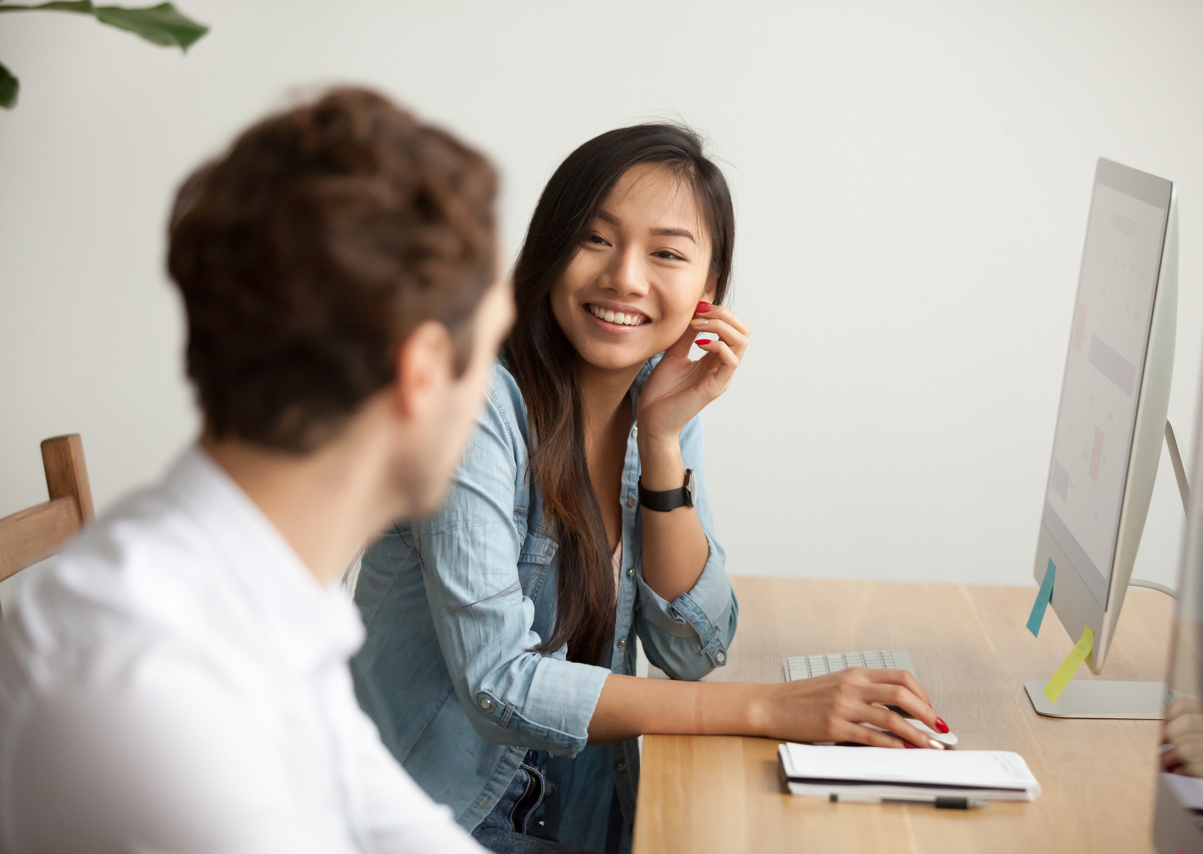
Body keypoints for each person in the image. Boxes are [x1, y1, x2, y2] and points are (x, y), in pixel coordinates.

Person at [352, 124, 950, 854]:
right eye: (596, 239)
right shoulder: (472, 405)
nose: (626, 279)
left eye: (666, 253)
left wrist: (662, 440)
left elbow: (694, 648)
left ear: (709, 291)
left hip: (583, 811)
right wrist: (769, 708)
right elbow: (498, 684)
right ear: (547, 251)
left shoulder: (657, 391)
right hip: (443, 821)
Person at [0, 88, 512, 853]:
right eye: (491, 359)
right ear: (425, 371)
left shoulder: (262, 589)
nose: (490, 404)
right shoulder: (149, 684)